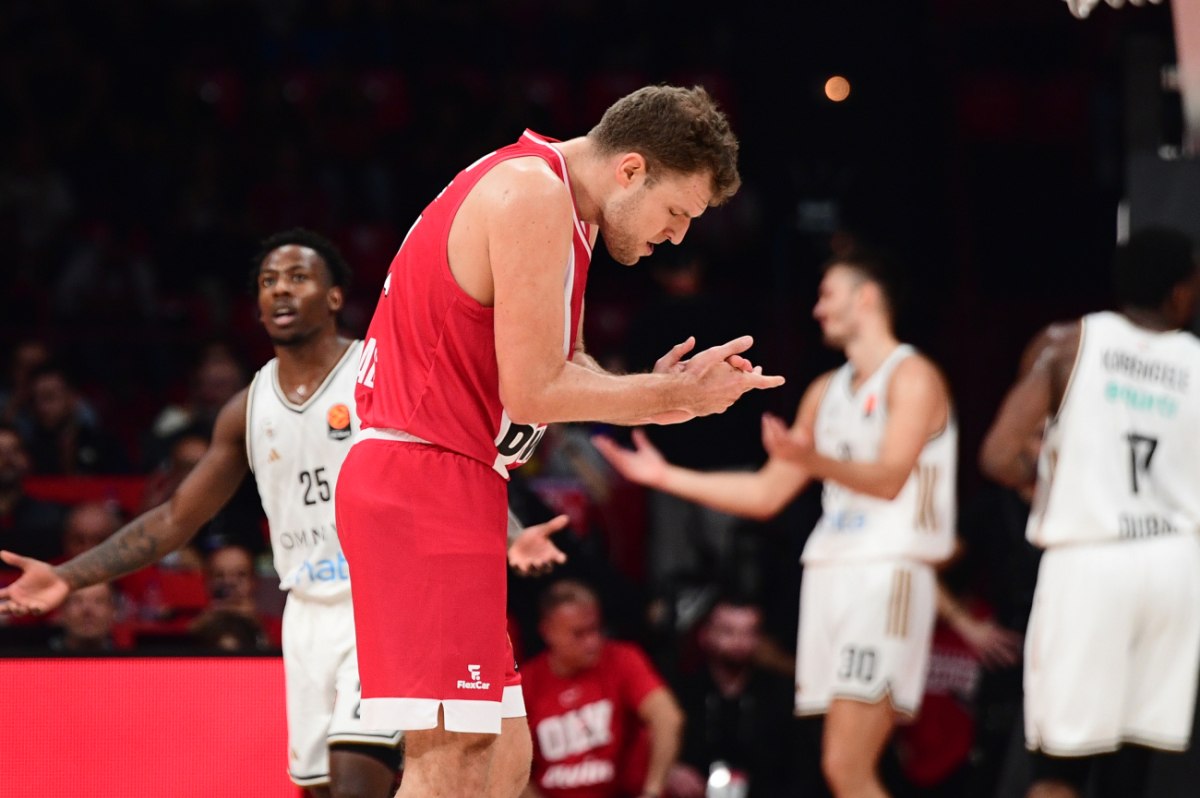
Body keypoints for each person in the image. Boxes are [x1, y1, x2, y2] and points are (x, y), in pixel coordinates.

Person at [0, 228, 565, 797]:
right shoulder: (247, 407)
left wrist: (511, 535)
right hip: (306, 613)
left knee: (356, 783)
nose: (280, 290)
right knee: (321, 789)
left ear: (335, 296)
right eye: (269, 282)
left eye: (298, 277)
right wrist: (68, 577)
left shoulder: (379, 373)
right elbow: (175, 518)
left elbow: (452, 464)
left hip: (384, 604)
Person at [336, 84, 782, 798]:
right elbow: (534, 390)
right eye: (677, 213)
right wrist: (670, 398)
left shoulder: (564, 202)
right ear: (631, 170)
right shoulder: (534, 195)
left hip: (457, 477)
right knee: (452, 756)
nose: (677, 238)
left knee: (506, 753)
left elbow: (566, 364)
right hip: (424, 475)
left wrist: (662, 393)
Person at [595, 248, 957, 798]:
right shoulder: (825, 390)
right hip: (831, 573)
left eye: (828, 294)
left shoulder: (913, 376)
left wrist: (811, 459)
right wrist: (664, 476)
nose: (817, 309)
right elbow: (766, 494)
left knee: (847, 766)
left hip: (888, 571)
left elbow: (889, 479)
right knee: (838, 766)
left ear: (866, 297)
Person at [978, 227, 1200, 798]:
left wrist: (1047, 483)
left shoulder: (1068, 345)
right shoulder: (1196, 362)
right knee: (1132, 762)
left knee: (1060, 763)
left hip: (1091, 563)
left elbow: (999, 456)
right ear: (1180, 291)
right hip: (1173, 567)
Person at [521, 579, 683, 798]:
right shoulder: (526, 683)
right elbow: (507, 762)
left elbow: (668, 718)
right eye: (579, 634)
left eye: (595, 629)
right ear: (547, 631)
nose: (592, 642)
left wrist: (653, 791)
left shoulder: (622, 660)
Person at [665, 597, 800, 798]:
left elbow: (798, 766)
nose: (739, 642)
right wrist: (671, 769)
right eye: (728, 632)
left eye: (749, 632)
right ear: (705, 635)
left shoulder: (781, 695)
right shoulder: (681, 693)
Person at [0, 422, 67, 567]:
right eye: (0, 452)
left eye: (15, 451)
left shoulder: (50, 520)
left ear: (27, 459)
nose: (8, 459)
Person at [47, 581, 120, 654]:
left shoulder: (123, 658)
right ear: (61, 610)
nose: (87, 610)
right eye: (76, 601)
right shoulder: (44, 659)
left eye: (98, 601)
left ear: (113, 610)